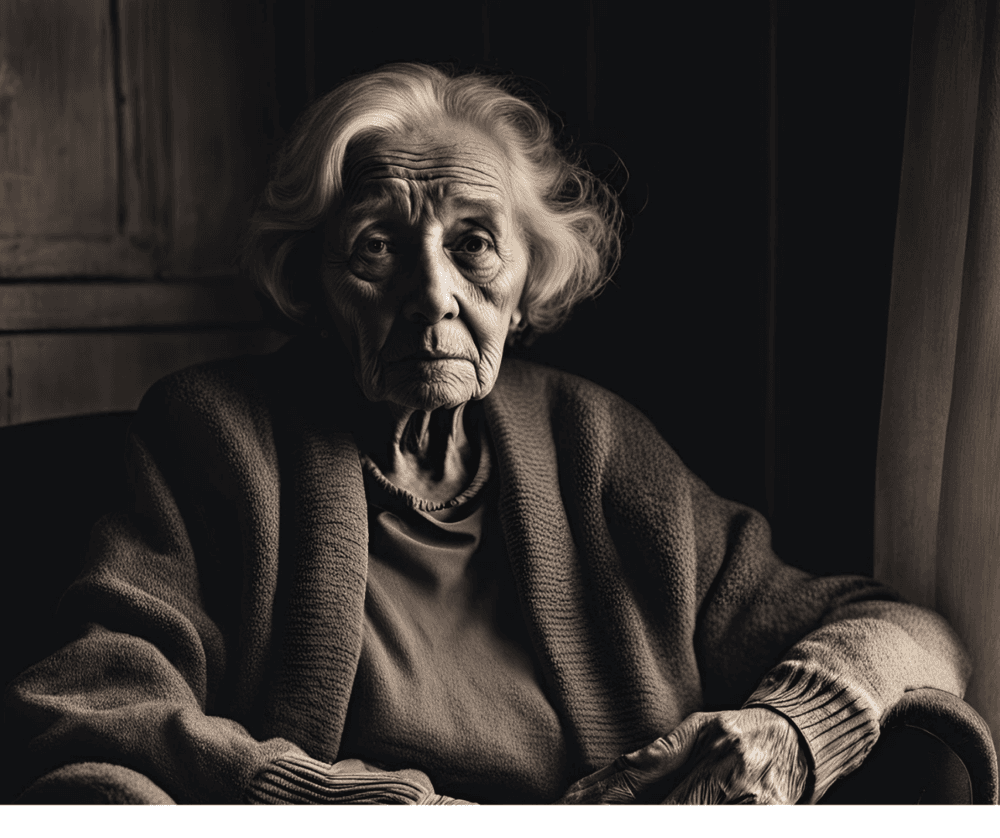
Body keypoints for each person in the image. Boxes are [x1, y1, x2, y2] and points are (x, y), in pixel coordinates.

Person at [5, 62, 970, 805]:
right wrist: (311, 799)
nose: (434, 296)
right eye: (376, 248)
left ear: (528, 282)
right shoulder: (214, 436)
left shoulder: (594, 444)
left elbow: (908, 631)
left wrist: (794, 730)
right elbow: (92, 708)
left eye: (473, 243)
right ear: (310, 284)